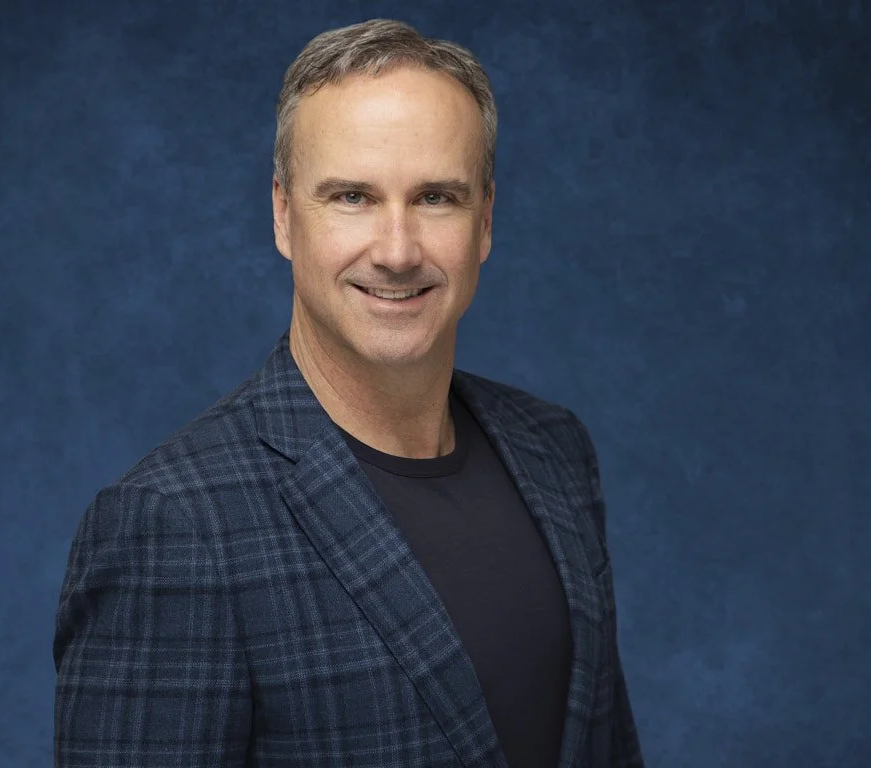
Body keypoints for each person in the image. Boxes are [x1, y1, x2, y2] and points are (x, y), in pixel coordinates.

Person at [53, 17, 644, 768]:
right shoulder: (172, 525)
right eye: (353, 197)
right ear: (283, 216)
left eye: (435, 197)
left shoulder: (555, 450)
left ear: (485, 220)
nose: (397, 251)